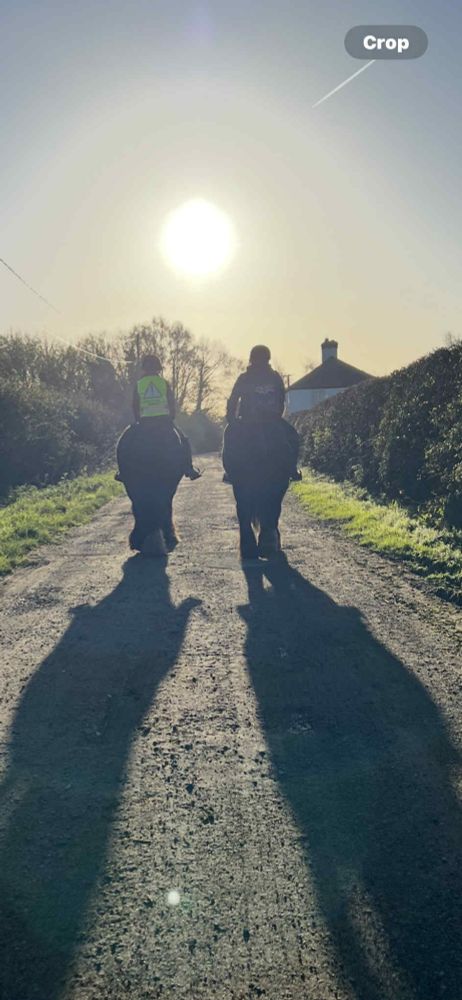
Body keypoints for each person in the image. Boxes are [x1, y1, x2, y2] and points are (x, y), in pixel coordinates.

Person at [224, 344, 301, 481]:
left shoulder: (245, 378)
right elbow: (281, 399)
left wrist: (232, 420)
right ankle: (292, 469)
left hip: (248, 421)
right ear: (268, 359)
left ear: (251, 359)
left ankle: (230, 471)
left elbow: (233, 400)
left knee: (230, 436)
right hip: (269, 421)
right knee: (292, 436)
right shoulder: (273, 377)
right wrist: (277, 415)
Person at [133, 355, 201, 480]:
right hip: (163, 422)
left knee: (127, 442)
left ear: (144, 369)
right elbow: (171, 403)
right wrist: (171, 417)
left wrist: (138, 420)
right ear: (158, 369)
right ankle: (189, 468)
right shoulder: (163, 383)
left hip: (144, 423)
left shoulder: (139, 384)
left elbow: (135, 405)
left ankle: (123, 471)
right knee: (184, 440)